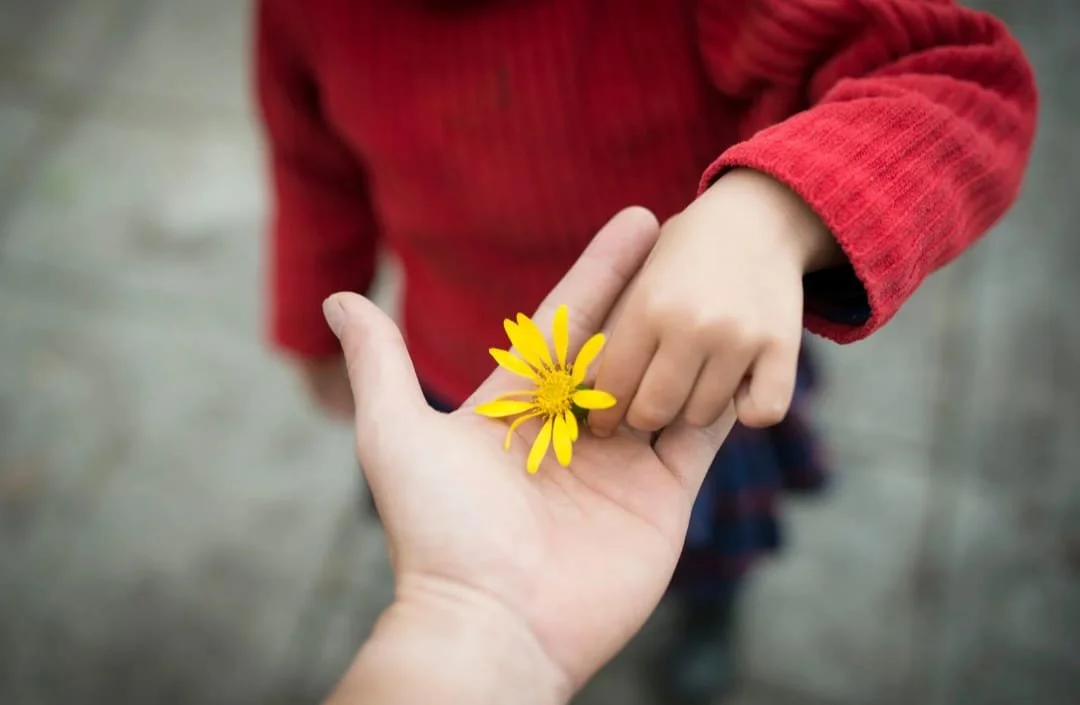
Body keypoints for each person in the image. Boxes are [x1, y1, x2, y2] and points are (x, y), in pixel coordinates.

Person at [254, 1, 1037, 701]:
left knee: (700, 534)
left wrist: (776, 211)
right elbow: (311, 169)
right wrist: (311, 325)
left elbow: (966, 79)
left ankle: (708, 608)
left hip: (688, 392)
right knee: (449, 516)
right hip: (461, 373)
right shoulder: (305, 16)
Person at [320, 212, 738, 704]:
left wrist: (763, 211)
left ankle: (711, 607)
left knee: (716, 526)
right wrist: (467, 609)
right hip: (446, 345)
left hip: (690, 318)